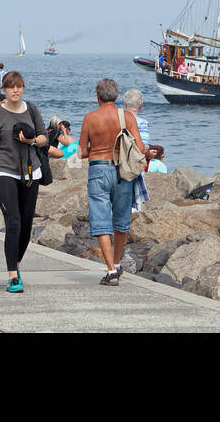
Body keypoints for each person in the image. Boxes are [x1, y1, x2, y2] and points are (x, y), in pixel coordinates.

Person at [0, 70, 47, 293]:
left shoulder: (32, 109)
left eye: (18, 86)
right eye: (11, 87)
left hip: (31, 171)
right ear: (4, 90)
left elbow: (44, 137)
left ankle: (16, 264)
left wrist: (31, 140)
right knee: (14, 222)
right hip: (4, 170)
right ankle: (12, 275)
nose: (15, 90)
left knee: (27, 225)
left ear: (23, 88)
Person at [79, 78, 146, 286]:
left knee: (101, 221)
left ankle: (110, 270)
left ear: (97, 96)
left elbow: (81, 151)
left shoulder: (90, 118)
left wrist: (97, 148)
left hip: (98, 169)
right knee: (121, 221)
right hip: (122, 172)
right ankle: (116, 263)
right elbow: (141, 148)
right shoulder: (127, 118)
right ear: (117, 96)